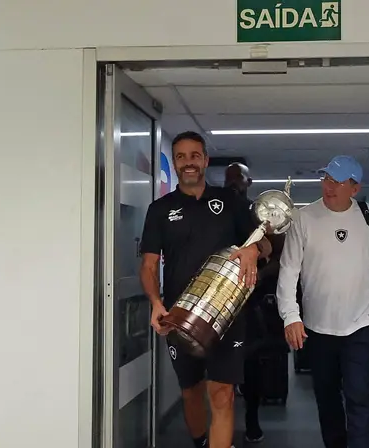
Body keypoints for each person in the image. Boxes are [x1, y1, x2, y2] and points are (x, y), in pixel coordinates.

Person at [139, 132, 272, 448]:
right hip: (180, 316)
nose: (189, 163)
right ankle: (200, 441)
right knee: (191, 391)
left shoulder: (231, 202)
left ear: (205, 160)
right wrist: (155, 302)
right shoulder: (159, 209)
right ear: (175, 163)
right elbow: (148, 265)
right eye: (181, 157)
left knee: (222, 393)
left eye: (195, 155)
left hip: (227, 315)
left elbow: (266, 243)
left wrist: (254, 249)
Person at [275, 155, 369, 448]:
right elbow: (289, 269)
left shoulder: (368, 215)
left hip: (362, 323)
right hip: (318, 327)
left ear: (354, 188)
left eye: (338, 182)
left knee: (359, 395)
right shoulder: (304, 218)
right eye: (327, 179)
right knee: (327, 397)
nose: (329, 186)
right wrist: (291, 316)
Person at [224, 162, 288, 443]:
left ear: (248, 183)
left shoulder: (258, 216)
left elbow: (279, 256)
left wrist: (257, 277)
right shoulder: (215, 212)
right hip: (220, 301)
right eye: (228, 179)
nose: (232, 184)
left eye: (238, 179)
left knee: (252, 365)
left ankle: (251, 419)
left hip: (250, 302)